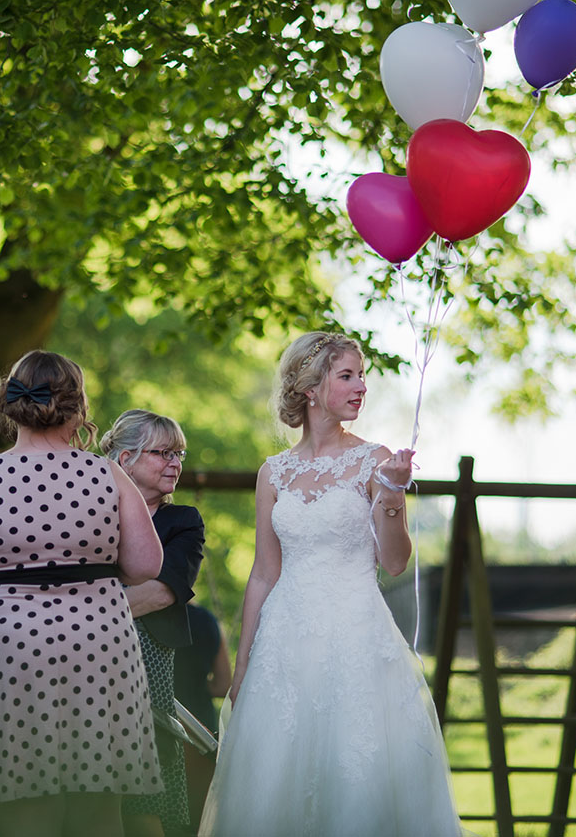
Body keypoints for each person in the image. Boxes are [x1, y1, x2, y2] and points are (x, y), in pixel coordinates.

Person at [198, 332, 467, 837]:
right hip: (285, 643)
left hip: (356, 638)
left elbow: (393, 561)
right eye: (348, 375)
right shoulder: (273, 472)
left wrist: (391, 493)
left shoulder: (375, 459)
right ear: (309, 387)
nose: (361, 386)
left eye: (362, 375)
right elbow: (263, 572)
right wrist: (243, 663)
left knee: (355, 776)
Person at [0, 350, 165, 837]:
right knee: (99, 804)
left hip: (12, 647)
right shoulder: (109, 475)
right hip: (97, 642)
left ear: (11, 402)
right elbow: (148, 565)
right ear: (78, 406)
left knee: (23, 801)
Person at [101, 409, 206, 837]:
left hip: (148, 661)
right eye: (163, 453)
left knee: (146, 797)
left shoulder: (183, 521)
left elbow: (164, 590)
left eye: (178, 454)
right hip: (81, 656)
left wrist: (87, 611)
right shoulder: (87, 509)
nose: (175, 464)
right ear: (125, 459)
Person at [173, 603, 230, 828]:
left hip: (163, 722)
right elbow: (222, 684)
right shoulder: (208, 621)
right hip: (200, 729)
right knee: (197, 815)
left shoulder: (146, 615)